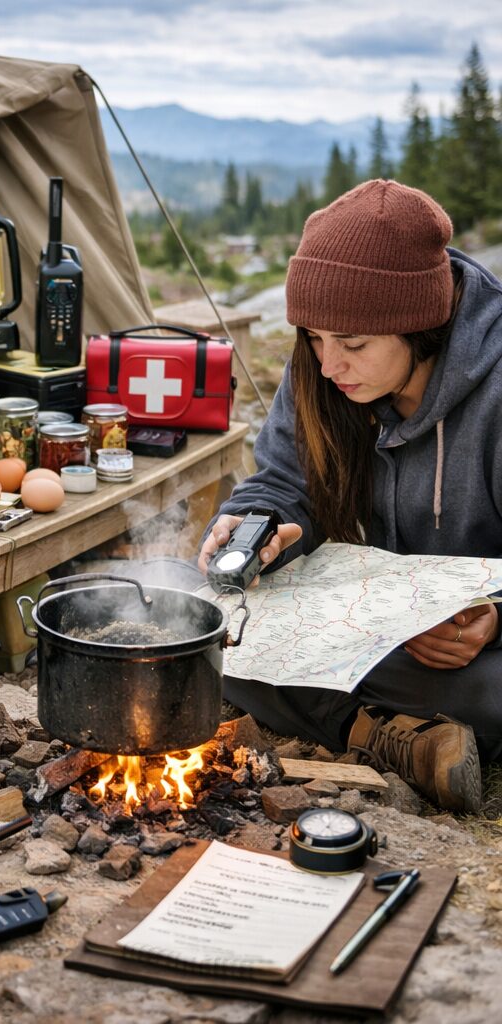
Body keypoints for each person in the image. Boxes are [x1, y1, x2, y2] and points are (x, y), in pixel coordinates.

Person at [197, 179, 502, 813]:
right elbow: (281, 480)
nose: (329, 363)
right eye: (313, 337)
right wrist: (257, 525)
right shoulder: (323, 368)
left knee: (489, 688)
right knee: (199, 622)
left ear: (419, 324)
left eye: (354, 345)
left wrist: (495, 619)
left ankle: (357, 713)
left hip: (468, 651)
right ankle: (381, 735)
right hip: (369, 624)